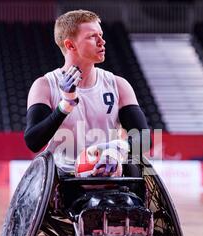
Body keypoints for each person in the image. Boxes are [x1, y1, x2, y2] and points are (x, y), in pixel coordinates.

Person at [24, 10, 150, 177]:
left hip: (108, 173)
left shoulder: (118, 85)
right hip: (62, 178)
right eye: (92, 36)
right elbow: (33, 142)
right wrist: (65, 105)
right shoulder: (45, 85)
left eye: (101, 35)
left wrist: (115, 150)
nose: (102, 41)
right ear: (70, 45)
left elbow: (144, 138)